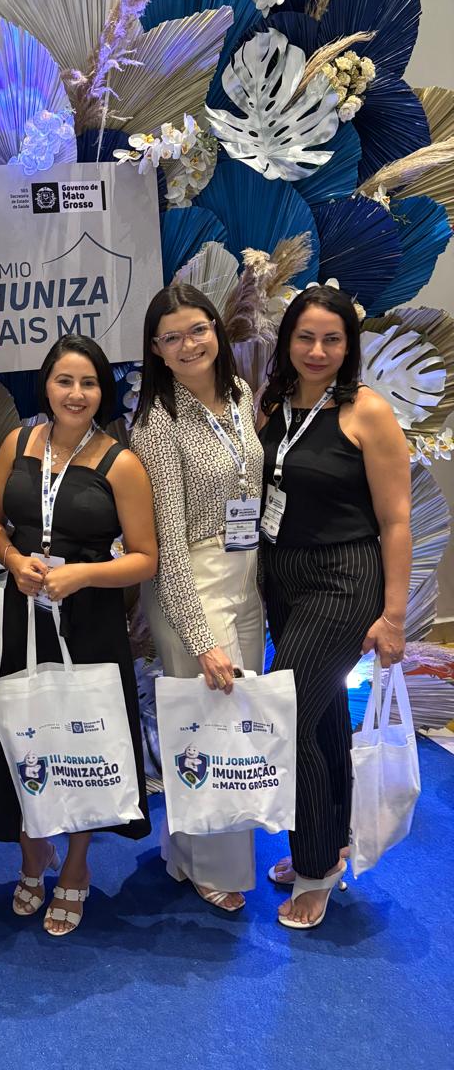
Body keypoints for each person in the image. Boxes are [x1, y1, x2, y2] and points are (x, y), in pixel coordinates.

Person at [0, 336, 157, 936]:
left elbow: (145, 559)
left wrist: (82, 574)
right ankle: (33, 852)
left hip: (90, 620)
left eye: (88, 383)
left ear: (102, 391)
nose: (76, 394)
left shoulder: (121, 463)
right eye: (65, 380)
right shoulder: (17, 443)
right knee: (23, 730)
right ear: (47, 385)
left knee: (84, 739)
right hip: (22, 609)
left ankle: (78, 864)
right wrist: (13, 560)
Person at [257, 284, 411, 929]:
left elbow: (396, 520)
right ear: (287, 341)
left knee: (288, 716)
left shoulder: (367, 411)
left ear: (349, 347)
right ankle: (327, 843)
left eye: (332, 339)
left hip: (343, 579)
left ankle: (316, 870)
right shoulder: (275, 405)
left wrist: (394, 616)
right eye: (306, 337)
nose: (317, 351)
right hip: (283, 578)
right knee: (319, 722)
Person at [130, 284, 265, 913]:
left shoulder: (237, 394)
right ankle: (216, 867)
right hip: (193, 582)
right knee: (215, 725)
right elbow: (169, 544)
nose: (188, 345)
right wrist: (200, 636)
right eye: (172, 337)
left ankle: (185, 851)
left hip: (246, 572)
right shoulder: (157, 424)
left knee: (228, 719)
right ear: (156, 349)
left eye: (198, 329)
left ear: (216, 329)